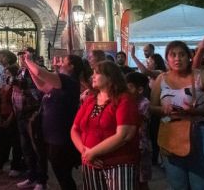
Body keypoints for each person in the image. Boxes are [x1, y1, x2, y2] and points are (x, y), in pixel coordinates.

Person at [150, 41, 204, 190]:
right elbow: (151, 107)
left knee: (200, 185)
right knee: (177, 185)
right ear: (167, 59)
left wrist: (194, 111)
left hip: (199, 135)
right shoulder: (161, 79)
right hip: (171, 134)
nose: (177, 59)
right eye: (173, 55)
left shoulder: (201, 75)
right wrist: (163, 109)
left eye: (182, 54)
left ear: (189, 57)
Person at [71, 60, 139, 190]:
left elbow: (123, 135)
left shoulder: (124, 99)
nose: (93, 76)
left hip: (118, 163)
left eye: (97, 73)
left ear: (110, 77)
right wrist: (85, 153)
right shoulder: (91, 99)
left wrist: (92, 153)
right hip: (90, 163)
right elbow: (74, 129)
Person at [24, 52, 81, 190]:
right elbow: (41, 85)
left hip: (60, 136)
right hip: (51, 135)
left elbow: (39, 72)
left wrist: (29, 60)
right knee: (60, 172)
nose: (60, 64)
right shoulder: (61, 83)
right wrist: (29, 66)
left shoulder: (69, 81)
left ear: (71, 66)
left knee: (63, 173)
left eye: (64, 62)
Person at [13, 48, 46, 190]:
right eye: (20, 56)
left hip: (33, 114)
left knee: (37, 148)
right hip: (21, 114)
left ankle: (41, 180)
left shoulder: (38, 71)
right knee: (26, 148)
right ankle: (31, 176)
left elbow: (39, 91)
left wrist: (22, 87)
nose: (22, 59)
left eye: (25, 56)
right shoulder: (20, 71)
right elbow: (12, 83)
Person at [0, 50, 24, 177]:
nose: (4, 75)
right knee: (3, 141)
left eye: (7, 73)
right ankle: (0, 163)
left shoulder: (14, 86)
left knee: (15, 141)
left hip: (13, 115)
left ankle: (16, 165)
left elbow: (15, 103)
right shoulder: (4, 85)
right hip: (3, 114)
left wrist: (10, 118)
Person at [126, 72, 152, 190]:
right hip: (130, 145)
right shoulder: (128, 102)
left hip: (141, 146)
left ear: (140, 89)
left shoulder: (144, 103)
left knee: (142, 180)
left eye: (129, 87)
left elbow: (136, 119)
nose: (125, 90)